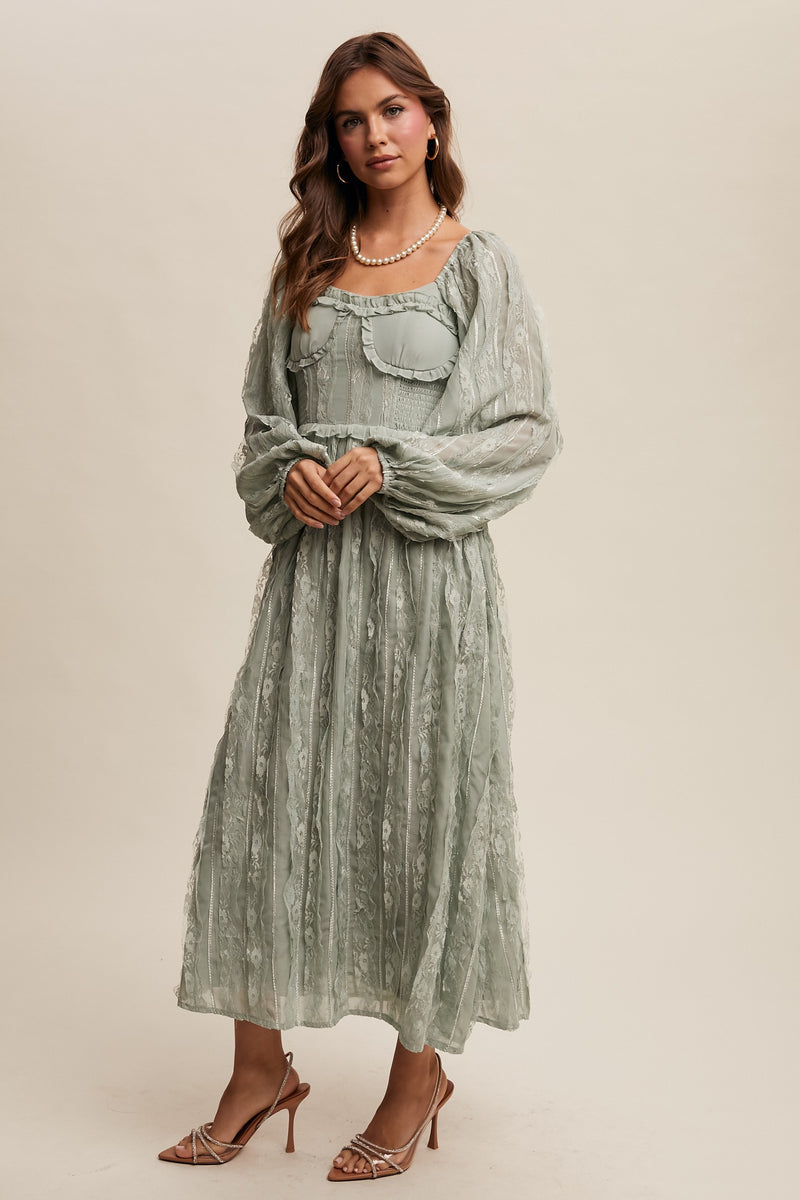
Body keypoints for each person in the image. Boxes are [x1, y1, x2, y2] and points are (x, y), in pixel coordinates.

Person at [157, 30, 564, 1181]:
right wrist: (287, 472)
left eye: (392, 109)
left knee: (425, 814)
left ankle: (416, 1073)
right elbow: (260, 426)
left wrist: (394, 466)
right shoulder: (306, 268)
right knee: (270, 806)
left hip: (429, 595)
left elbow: (522, 433)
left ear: (430, 121)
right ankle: (258, 1069)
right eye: (351, 117)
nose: (374, 133)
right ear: (330, 141)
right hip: (314, 588)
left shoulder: (478, 266)